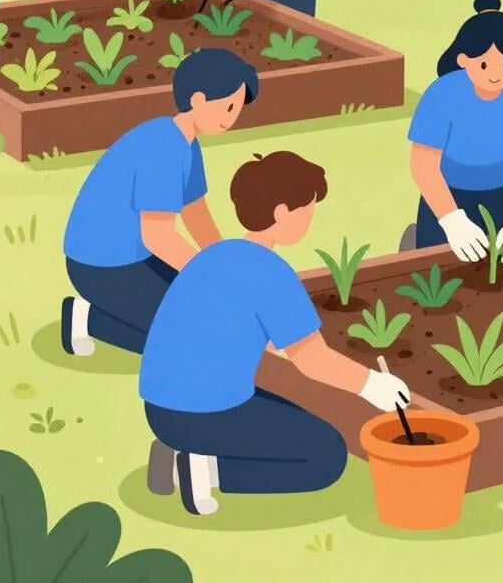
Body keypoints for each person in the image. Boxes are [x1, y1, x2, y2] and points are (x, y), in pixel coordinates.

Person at [140, 151, 409, 516]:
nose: (309, 223)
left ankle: (176, 451)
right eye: (307, 214)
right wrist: (371, 385)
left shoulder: (213, 256)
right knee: (327, 454)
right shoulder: (271, 273)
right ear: (282, 212)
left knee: (282, 411)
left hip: (159, 410)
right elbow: (312, 360)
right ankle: (205, 470)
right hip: (207, 414)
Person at [60, 49, 258, 357]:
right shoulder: (164, 147)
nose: (231, 117)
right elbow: (158, 236)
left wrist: (223, 264)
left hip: (138, 256)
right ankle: (86, 320)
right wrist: (207, 275)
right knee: (190, 339)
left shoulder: (188, 146)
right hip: (101, 264)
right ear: (197, 99)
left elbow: (197, 216)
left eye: (237, 108)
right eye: (228, 106)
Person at [406, 0, 503, 265]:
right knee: (437, 269)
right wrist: (451, 220)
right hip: (448, 192)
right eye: (485, 64)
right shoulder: (441, 94)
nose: (496, 74)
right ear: (463, 59)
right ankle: (414, 240)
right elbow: (423, 164)